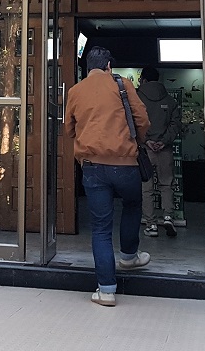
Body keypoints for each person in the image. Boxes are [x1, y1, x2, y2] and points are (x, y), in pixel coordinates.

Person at [64, 45, 151, 307]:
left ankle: (106, 291)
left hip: (92, 166)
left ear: (87, 67)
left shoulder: (75, 90)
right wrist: (136, 141)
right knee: (133, 205)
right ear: (109, 66)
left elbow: (69, 129)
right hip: (125, 164)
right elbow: (142, 120)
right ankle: (129, 256)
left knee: (101, 228)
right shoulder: (122, 84)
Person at [137, 66, 181, 238]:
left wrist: (146, 140)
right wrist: (163, 141)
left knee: (146, 188)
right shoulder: (170, 100)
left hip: (145, 150)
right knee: (166, 184)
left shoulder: (137, 98)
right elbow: (175, 124)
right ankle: (168, 217)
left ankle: (151, 224)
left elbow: (134, 122)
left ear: (143, 79)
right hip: (165, 149)